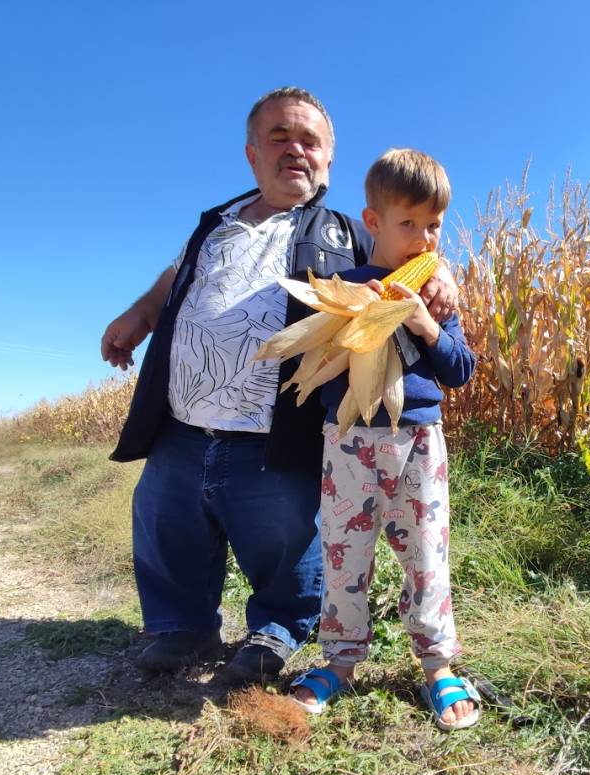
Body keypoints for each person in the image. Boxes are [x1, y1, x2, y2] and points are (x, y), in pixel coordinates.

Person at [100, 88, 458, 682]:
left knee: (285, 541)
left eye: (309, 141)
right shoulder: (213, 227)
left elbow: (411, 246)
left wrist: (441, 270)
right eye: (279, 137)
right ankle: (181, 627)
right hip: (182, 423)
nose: (295, 149)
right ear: (251, 154)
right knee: (167, 526)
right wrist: (140, 316)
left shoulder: (349, 232)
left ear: (328, 161)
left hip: (273, 432)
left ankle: (276, 630)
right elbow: (176, 276)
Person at [288, 149, 480, 731]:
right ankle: (340, 664)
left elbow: (461, 369)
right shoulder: (342, 287)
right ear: (372, 222)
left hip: (419, 437)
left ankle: (438, 665)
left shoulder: (438, 296)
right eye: (408, 224)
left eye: (434, 226)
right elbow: (323, 362)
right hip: (348, 439)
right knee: (345, 554)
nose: (423, 238)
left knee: (427, 555)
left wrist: (423, 322)